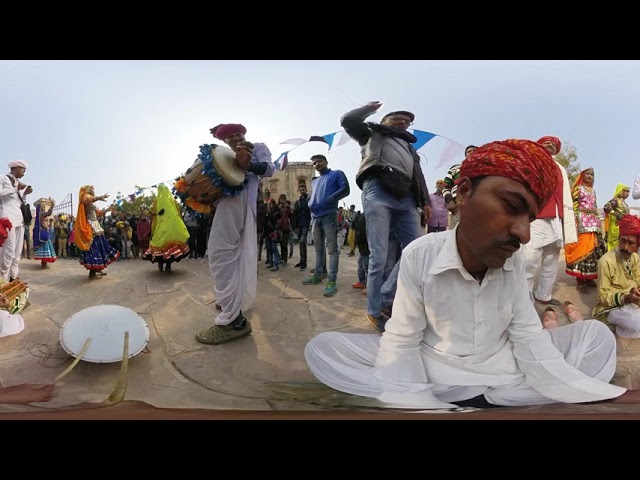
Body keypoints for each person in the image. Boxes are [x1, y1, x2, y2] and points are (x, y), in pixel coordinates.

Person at [304, 138, 627, 410]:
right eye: (512, 206)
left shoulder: (512, 261)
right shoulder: (421, 253)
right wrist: (413, 395)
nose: (524, 234)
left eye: (530, 217)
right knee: (325, 348)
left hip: (503, 361)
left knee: (595, 337)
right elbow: (403, 338)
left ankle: (484, 394)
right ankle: (491, 396)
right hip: (435, 364)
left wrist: (558, 377)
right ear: (464, 193)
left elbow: (527, 335)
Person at [340, 102, 431, 327]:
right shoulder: (371, 133)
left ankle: (386, 297)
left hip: (407, 198)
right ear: (384, 121)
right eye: (398, 118)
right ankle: (374, 310)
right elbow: (348, 121)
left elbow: (418, 176)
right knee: (378, 256)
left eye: (408, 121)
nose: (404, 122)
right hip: (378, 191)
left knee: (415, 253)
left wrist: (426, 201)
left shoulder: (410, 148)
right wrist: (368, 109)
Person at [196, 122, 275, 345]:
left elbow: (269, 169)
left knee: (220, 254)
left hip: (241, 202)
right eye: (229, 136)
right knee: (230, 257)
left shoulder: (257, 146)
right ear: (224, 141)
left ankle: (233, 321)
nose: (235, 137)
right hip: (225, 204)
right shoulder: (223, 154)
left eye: (238, 133)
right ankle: (230, 301)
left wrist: (248, 164)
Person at [522, 136, 577, 306]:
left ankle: (543, 295)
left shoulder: (561, 168)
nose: (551, 145)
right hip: (537, 216)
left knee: (551, 259)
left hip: (556, 218)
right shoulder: (532, 161)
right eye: (547, 143)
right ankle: (523, 297)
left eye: (554, 145)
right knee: (530, 258)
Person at [301, 154, 350, 298]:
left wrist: (330, 199)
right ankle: (319, 273)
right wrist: (311, 203)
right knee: (318, 248)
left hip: (329, 215)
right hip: (315, 217)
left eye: (319, 161)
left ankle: (332, 281)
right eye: (314, 163)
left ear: (326, 162)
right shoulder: (315, 181)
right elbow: (312, 196)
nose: (317, 164)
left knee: (332, 249)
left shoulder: (336, 174)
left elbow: (345, 189)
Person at [592, 214, 640, 338]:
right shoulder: (605, 261)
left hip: (634, 301)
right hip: (614, 306)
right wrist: (627, 298)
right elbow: (603, 296)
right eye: (623, 241)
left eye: (631, 243)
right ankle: (616, 326)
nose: (625, 247)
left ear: (637, 246)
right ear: (618, 238)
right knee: (636, 323)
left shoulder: (635, 258)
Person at [564, 167, 606, 287]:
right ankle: (580, 278)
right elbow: (574, 205)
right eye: (587, 174)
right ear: (582, 176)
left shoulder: (593, 191)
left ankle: (589, 278)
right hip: (582, 221)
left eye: (592, 175)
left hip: (594, 223)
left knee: (594, 251)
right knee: (582, 249)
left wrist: (597, 220)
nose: (590, 176)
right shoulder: (578, 189)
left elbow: (595, 205)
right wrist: (575, 220)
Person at [75, 185, 120, 279]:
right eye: (93, 188)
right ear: (88, 190)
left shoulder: (92, 201)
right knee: (93, 248)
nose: (94, 190)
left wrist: (107, 209)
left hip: (96, 225)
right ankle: (92, 272)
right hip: (90, 226)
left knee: (100, 247)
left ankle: (98, 268)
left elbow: (98, 213)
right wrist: (99, 197)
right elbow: (86, 200)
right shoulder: (85, 196)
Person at [143, 184, 190, 272]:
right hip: (170, 228)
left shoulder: (157, 201)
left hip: (162, 228)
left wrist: (155, 214)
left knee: (161, 245)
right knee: (168, 245)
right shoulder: (172, 201)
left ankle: (162, 264)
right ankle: (167, 265)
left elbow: (150, 212)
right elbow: (179, 212)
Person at [0, 160, 33, 282]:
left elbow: (20, 203)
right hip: (7, 218)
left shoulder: (18, 183)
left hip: (20, 219)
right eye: (23, 170)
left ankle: (13, 280)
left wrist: (25, 194)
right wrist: (15, 188)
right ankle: (3, 282)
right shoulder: (3, 178)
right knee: (8, 253)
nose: (24, 173)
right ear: (17, 168)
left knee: (17, 253)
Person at [443, 145, 477, 229]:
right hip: (458, 204)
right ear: (465, 155)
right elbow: (446, 187)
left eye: (474, 151)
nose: (472, 152)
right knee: (454, 234)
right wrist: (450, 201)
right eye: (469, 151)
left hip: (477, 203)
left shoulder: (483, 168)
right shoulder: (455, 168)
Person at [603, 183, 631, 252]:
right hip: (616, 227)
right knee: (615, 247)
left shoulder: (624, 202)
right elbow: (606, 207)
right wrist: (616, 214)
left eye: (629, 192)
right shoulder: (615, 200)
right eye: (626, 191)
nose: (628, 193)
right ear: (621, 191)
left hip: (624, 227)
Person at [293, 184, 311, 270]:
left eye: (303, 189)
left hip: (306, 223)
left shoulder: (309, 200)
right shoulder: (298, 202)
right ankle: (302, 261)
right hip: (299, 224)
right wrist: (295, 226)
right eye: (300, 190)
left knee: (303, 241)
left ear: (306, 190)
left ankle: (304, 262)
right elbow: (296, 214)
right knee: (300, 243)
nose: (302, 191)